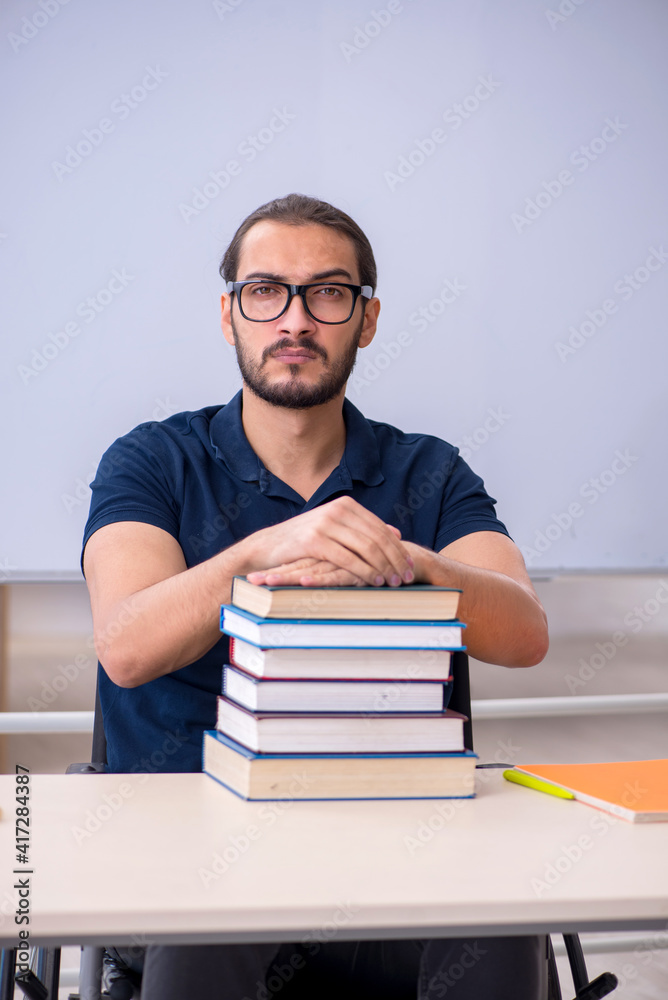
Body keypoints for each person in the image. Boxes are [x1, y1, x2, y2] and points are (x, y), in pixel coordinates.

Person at [82, 193, 550, 999]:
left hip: (390, 854)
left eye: (329, 293)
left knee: (506, 915)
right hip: (188, 856)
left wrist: (406, 560)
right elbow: (125, 645)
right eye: (267, 292)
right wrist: (264, 548)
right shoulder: (153, 461)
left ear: (366, 320)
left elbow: (524, 633)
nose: (294, 320)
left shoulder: (427, 471)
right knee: (211, 922)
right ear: (230, 315)